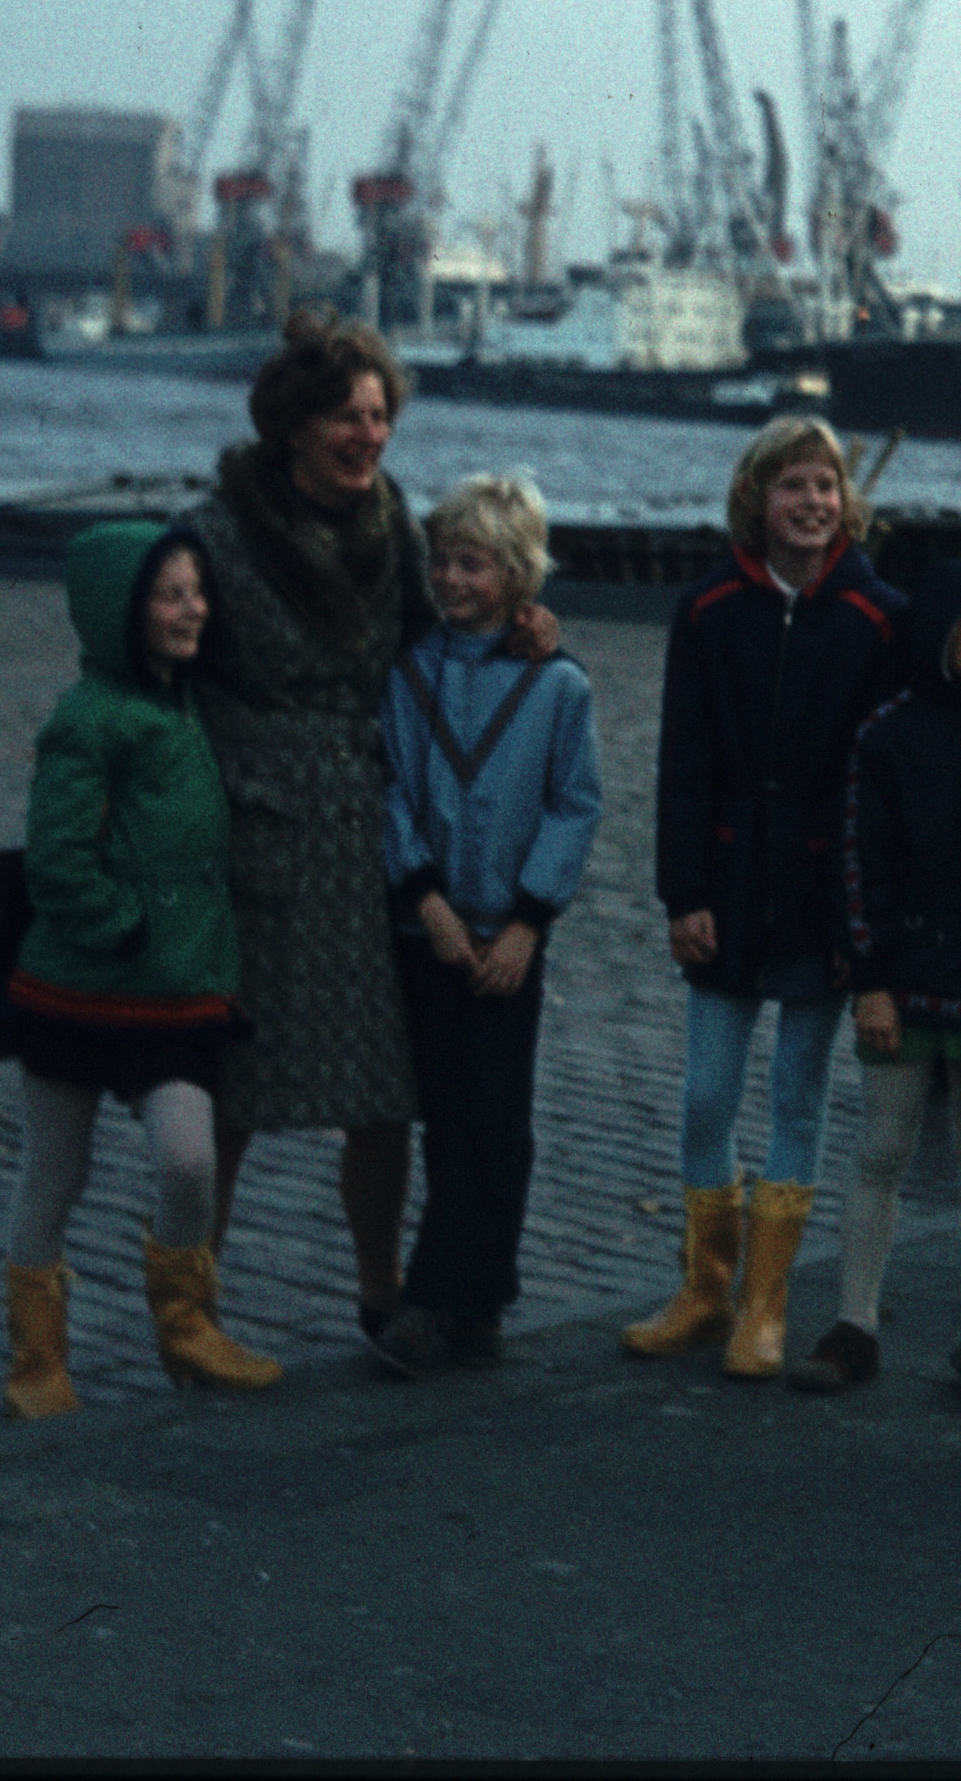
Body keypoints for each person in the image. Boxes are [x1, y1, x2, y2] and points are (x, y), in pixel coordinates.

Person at [183, 308, 555, 1347]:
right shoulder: (217, 533)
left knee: (380, 1084)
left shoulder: (395, 529)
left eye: (381, 414)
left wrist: (521, 627)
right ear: (293, 423)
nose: (370, 435)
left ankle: (382, 1287)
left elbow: (443, 642)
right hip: (255, 829)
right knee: (235, 1082)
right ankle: (192, 1302)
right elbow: (170, 671)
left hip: (373, 838)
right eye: (348, 415)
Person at [627, 416, 905, 1379]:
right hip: (728, 887)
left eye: (825, 485)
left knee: (797, 1093)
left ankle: (765, 1304)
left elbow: (887, 773)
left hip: (823, 893)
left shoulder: (877, 617)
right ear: (756, 496)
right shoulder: (709, 609)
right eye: (794, 485)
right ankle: (704, 1288)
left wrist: (863, 921)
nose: (812, 503)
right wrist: (682, 892)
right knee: (707, 1095)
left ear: (845, 500)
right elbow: (684, 760)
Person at [0, 521, 285, 1418]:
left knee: (189, 1160)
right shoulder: (86, 720)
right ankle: (37, 1361)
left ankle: (186, 1324)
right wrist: (123, 929)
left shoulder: (189, 699)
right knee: (54, 1173)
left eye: (198, 592)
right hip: (77, 991)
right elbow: (56, 859)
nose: (193, 610)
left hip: (177, 993)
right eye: (170, 595)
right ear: (121, 610)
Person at [787, 560, 961, 1405]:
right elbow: (858, 864)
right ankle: (855, 1324)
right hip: (907, 971)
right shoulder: (887, 735)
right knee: (883, 1147)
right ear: (943, 634)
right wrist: (870, 978)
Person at [368, 475, 603, 1378]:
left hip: (509, 939)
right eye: (443, 561)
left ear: (515, 575)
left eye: (473, 564)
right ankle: (466, 1299)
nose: (452, 580)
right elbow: (390, 790)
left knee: (497, 1119)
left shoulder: (559, 686)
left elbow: (574, 806)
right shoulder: (408, 673)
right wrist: (424, 902)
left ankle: (452, 1300)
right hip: (428, 932)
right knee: (446, 1116)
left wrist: (529, 924)